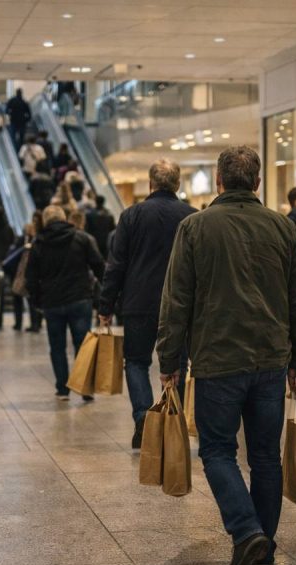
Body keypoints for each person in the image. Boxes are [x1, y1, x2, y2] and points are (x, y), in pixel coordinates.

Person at [157, 146, 296, 565]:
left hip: (217, 359)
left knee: (217, 450)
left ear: (219, 182)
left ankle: (246, 532)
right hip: (270, 359)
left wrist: (170, 360)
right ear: (258, 183)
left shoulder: (195, 228)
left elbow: (176, 301)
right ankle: (263, 548)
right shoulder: (283, 228)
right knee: (265, 455)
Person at [98, 161, 196, 449]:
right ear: (177, 184)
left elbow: (116, 265)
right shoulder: (191, 216)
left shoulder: (131, 216)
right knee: (178, 363)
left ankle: (142, 415)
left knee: (137, 362)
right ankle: (170, 422)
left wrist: (105, 305)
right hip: (179, 304)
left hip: (138, 301)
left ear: (151, 183)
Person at [26, 205, 105, 400]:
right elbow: (99, 266)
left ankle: (62, 388)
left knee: (57, 346)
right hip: (80, 299)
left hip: (52, 302)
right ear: (65, 218)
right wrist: (103, 295)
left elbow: (31, 277)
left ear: (45, 221)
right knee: (82, 344)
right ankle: (85, 388)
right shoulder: (82, 238)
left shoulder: (38, 243)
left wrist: (37, 301)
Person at [85, 195, 115, 261]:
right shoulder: (109, 215)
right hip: (106, 242)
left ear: (95, 201)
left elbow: (87, 228)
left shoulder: (89, 215)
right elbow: (112, 229)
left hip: (94, 241)